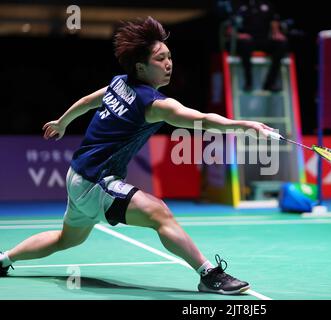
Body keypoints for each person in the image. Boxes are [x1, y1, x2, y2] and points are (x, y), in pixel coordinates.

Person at [0, 17, 275, 295]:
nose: (168, 64)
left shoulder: (118, 84)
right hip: (96, 180)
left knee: (65, 240)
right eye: (160, 59)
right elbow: (201, 118)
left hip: (78, 177)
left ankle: (3, 259)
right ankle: (209, 275)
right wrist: (243, 125)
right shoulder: (153, 104)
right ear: (140, 67)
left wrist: (62, 122)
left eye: (169, 57)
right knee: (160, 213)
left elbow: (87, 102)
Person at [233, 0, 289, 92]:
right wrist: (238, 35)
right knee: (245, 44)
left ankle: (270, 83)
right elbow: (230, 25)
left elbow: (274, 20)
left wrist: (277, 33)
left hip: (263, 40)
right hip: (246, 40)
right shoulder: (240, 5)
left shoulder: (267, 4)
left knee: (281, 44)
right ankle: (248, 82)